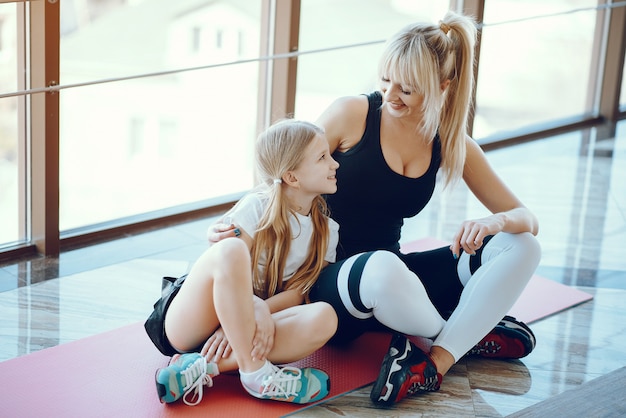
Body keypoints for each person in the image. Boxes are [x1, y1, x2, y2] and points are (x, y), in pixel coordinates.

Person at [210, 10, 541, 407]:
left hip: (396, 282)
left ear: (443, 85)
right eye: (386, 80)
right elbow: (285, 173)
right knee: (383, 268)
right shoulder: (353, 114)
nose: (391, 95)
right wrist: (237, 230)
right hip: (328, 277)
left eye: (408, 88)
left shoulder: (451, 143)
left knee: (522, 247)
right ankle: (467, 334)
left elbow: (528, 219)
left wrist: (493, 221)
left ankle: (436, 359)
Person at [144, 119, 340, 406]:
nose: (334, 164)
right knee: (232, 249)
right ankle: (256, 373)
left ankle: (201, 367)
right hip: (195, 322)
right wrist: (252, 306)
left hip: (248, 330)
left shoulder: (328, 231)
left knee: (325, 317)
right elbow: (224, 264)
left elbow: (299, 293)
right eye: (323, 158)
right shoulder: (256, 206)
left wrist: (258, 312)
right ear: (292, 177)